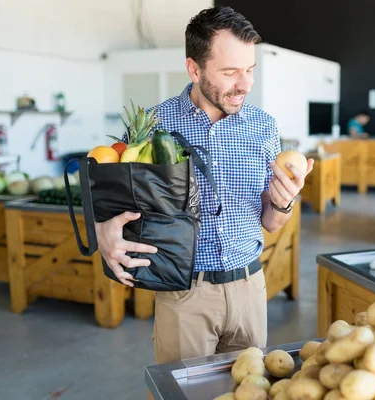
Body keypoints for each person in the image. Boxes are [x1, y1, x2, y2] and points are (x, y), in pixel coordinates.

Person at [95, 5, 314, 371]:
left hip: (250, 289)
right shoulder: (152, 124)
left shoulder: (263, 127)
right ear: (194, 69)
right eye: (230, 72)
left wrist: (284, 202)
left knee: (250, 392)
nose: (244, 84)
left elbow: (272, 223)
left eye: (249, 70)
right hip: (183, 296)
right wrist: (104, 230)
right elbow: (110, 196)